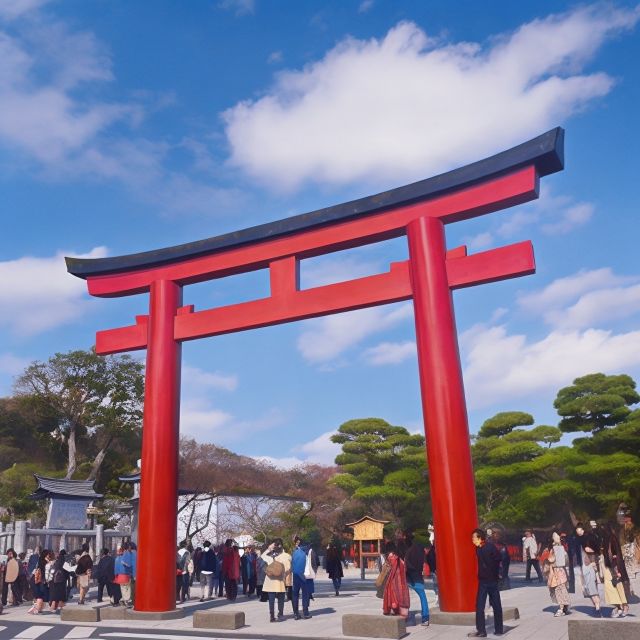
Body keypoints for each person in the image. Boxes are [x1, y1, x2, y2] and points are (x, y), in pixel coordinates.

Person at [468, 528, 503, 638]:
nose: (472, 539)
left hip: (492, 580)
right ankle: (482, 631)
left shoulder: (489, 547)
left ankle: (499, 629)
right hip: (483, 581)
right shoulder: (478, 548)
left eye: (474, 537)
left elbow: (499, 558)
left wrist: (495, 573)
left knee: (496, 605)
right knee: (479, 606)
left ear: (479, 538)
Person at [602, 521, 629, 617]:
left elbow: (615, 554)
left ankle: (624, 606)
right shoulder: (605, 539)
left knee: (619, 586)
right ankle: (618, 606)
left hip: (615, 565)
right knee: (609, 587)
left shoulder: (612, 538)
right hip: (607, 565)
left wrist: (617, 569)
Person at [261, 538, 291, 622]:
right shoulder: (286, 556)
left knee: (271, 599)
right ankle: (280, 614)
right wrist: (283, 574)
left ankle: (272, 616)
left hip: (270, 580)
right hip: (280, 580)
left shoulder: (269, 555)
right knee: (281, 598)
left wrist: (269, 548)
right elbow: (288, 568)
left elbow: (262, 557)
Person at [575, 522, 602, 617]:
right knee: (589, 587)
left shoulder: (588, 537)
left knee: (591, 586)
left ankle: (598, 607)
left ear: (582, 529)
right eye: (577, 531)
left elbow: (596, 549)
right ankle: (596, 606)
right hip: (584, 564)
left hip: (589, 564)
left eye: (579, 530)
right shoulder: (580, 539)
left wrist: (593, 555)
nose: (578, 532)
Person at [404, 532, 430, 626]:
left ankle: (404, 616)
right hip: (418, 578)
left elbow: (406, 565)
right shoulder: (421, 550)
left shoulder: (409, 551)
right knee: (423, 597)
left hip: (409, 578)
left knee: (404, 597)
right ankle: (425, 618)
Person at [543, 533, 570, 617]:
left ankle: (561, 608)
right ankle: (563, 606)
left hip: (558, 571)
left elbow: (555, 561)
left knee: (560, 589)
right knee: (559, 589)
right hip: (557, 571)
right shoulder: (557, 549)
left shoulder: (558, 549)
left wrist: (549, 560)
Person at [381, 542, 410, 619]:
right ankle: (403, 613)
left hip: (393, 579)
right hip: (402, 580)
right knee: (402, 596)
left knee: (393, 595)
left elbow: (388, 568)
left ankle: (394, 610)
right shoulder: (401, 557)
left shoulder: (391, 556)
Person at [291, 536, 315, 620]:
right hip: (306, 576)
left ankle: (296, 614)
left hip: (296, 575)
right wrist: (313, 573)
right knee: (305, 594)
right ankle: (305, 613)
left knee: (295, 594)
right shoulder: (309, 551)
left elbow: (292, 563)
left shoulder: (295, 552)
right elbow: (314, 563)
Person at [27, 549, 51, 615]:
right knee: (40, 596)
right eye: (48, 555)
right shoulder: (44, 562)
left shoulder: (40, 561)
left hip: (38, 580)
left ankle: (38, 609)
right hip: (41, 581)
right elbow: (46, 572)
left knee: (39, 596)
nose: (49, 556)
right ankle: (37, 609)